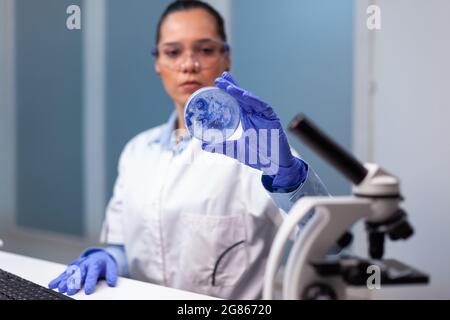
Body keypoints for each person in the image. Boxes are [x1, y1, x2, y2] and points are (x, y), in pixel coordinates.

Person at [48, 0, 329, 299]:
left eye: (205, 50)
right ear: (157, 62)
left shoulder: (259, 153)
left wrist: (288, 177)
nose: (189, 64)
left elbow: (330, 245)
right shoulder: (137, 152)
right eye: (172, 52)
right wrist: (110, 259)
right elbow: (126, 247)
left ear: (226, 57)